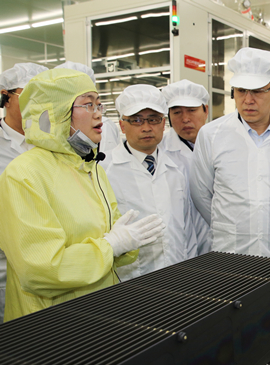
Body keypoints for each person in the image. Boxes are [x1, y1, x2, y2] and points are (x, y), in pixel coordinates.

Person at [0, 69, 163, 322]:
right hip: (51, 322)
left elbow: (111, 235)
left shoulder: (91, 167)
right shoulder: (23, 174)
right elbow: (40, 269)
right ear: (57, 113)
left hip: (97, 311)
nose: (98, 113)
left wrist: (126, 242)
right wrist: (111, 246)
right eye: (88, 104)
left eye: (99, 104)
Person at [190, 47, 270, 365]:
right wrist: (234, 226)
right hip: (230, 259)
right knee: (233, 347)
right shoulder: (212, 135)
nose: (248, 100)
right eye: (241, 91)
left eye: (257, 91)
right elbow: (202, 195)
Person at [103, 84, 197, 281]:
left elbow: (188, 229)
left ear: (163, 124)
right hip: (130, 278)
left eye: (153, 119)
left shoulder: (177, 168)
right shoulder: (104, 171)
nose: (146, 128)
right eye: (136, 120)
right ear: (122, 125)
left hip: (178, 273)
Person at [0, 62, 48, 323]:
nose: (37, 104)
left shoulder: (53, 142)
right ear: (5, 97)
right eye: (28, 94)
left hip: (50, 260)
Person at [160, 79, 211, 255]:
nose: (185, 119)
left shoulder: (222, 144)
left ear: (206, 110)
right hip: (180, 246)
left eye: (191, 110)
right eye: (176, 112)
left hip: (220, 238)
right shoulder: (160, 151)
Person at [54, 61, 122, 156]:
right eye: (89, 105)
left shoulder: (107, 126)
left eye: (98, 105)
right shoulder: (38, 161)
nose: (99, 115)